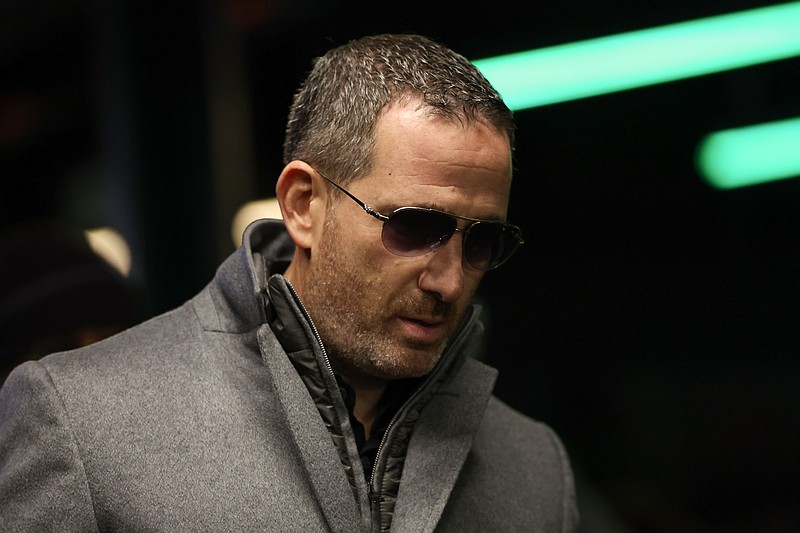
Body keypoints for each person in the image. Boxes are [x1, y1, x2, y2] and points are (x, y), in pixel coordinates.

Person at [0, 34, 578, 531]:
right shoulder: (79, 420)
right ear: (303, 205)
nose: (450, 282)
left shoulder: (534, 470)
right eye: (414, 226)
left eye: (483, 241)